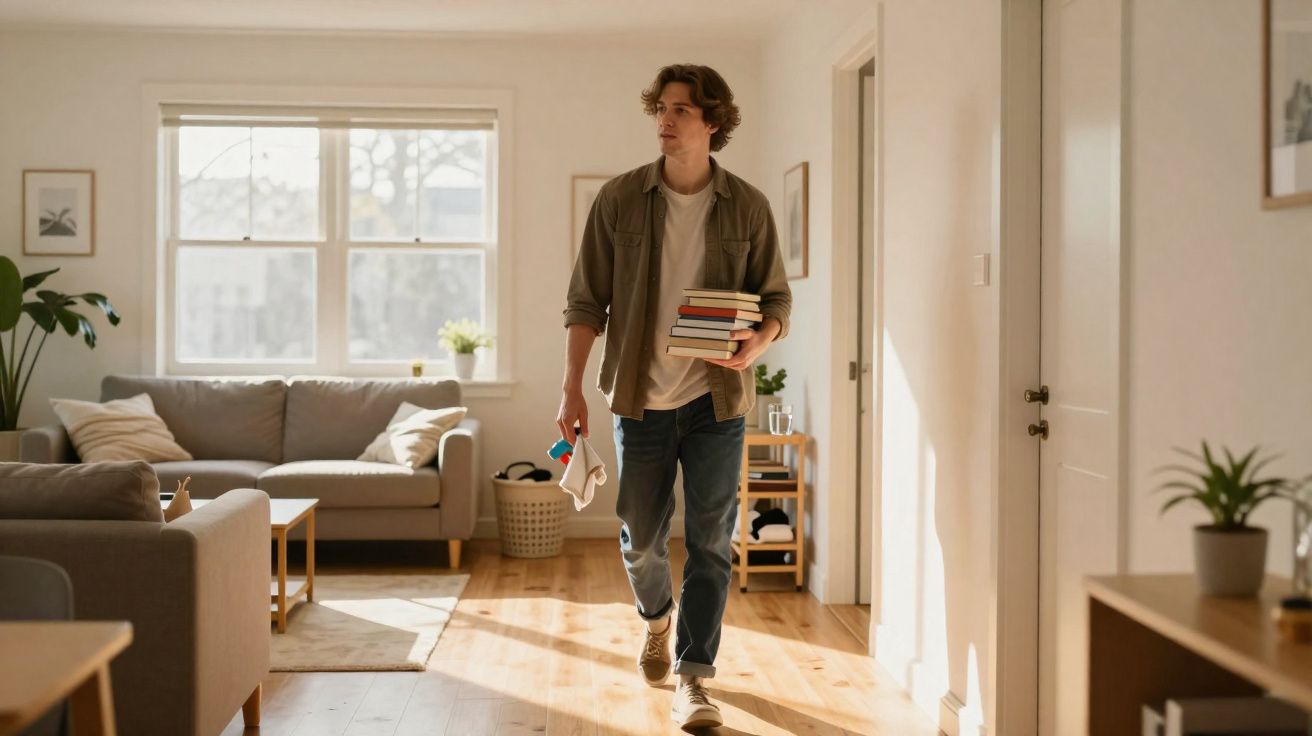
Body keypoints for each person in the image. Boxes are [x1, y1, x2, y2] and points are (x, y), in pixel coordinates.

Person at [557, 63, 791, 728]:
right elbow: (585, 301)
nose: (665, 119)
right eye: (661, 107)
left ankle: (694, 678)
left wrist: (759, 342)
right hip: (639, 400)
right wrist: (571, 387)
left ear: (713, 122)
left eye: (681, 109)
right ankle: (656, 620)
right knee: (641, 538)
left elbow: (776, 300)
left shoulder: (747, 206)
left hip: (717, 402)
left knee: (712, 541)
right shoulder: (620, 199)